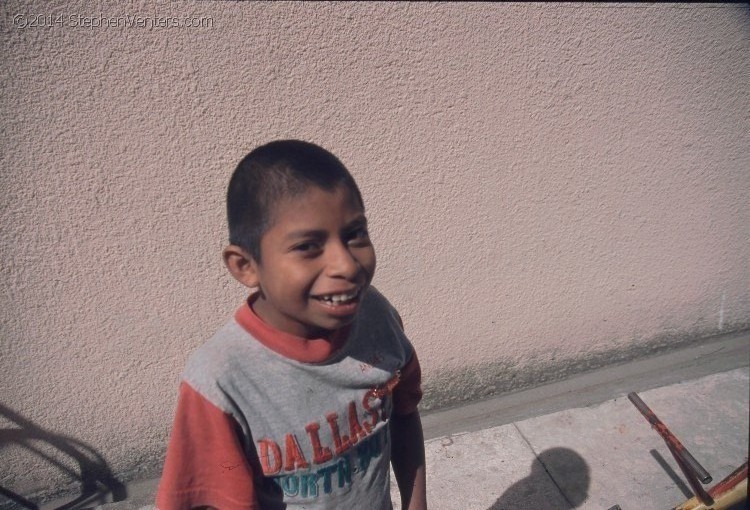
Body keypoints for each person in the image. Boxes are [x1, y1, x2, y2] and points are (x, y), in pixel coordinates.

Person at [156, 140, 427, 510]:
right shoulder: (220, 382)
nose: (345, 265)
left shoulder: (375, 316)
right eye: (308, 247)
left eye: (355, 234)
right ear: (245, 266)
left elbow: (405, 415)